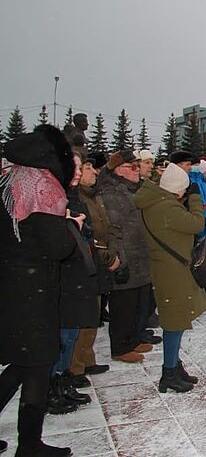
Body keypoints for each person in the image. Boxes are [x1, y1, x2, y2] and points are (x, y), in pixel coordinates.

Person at [0, 125, 78, 457]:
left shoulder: (10, 179)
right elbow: (58, 247)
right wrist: (71, 225)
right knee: (37, 364)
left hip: (12, 286)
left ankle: (30, 443)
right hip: (33, 290)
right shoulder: (41, 188)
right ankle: (29, 445)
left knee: (23, 362)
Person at [135, 163, 206, 394]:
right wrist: (195, 200)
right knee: (174, 321)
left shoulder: (158, 202)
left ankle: (174, 365)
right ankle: (168, 372)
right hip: (171, 270)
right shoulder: (166, 207)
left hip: (170, 267)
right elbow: (198, 224)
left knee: (176, 318)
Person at [48, 153, 100, 413]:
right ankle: (52, 387)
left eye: (81, 167)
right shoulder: (53, 196)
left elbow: (87, 230)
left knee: (71, 333)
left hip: (77, 269)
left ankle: (64, 380)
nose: (79, 172)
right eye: (76, 167)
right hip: (62, 273)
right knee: (62, 334)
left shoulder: (73, 196)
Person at [97, 150, 154, 363]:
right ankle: (121, 346)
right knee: (124, 305)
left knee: (138, 302)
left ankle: (133, 339)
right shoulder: (112, 193)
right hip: (127, 256)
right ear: (120, 169)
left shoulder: (132, 189)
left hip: (140, 255)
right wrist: (119, 258)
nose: (138, 170)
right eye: (134, 166)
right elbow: (114, 229)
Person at [71, 155, 116, 384]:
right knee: (83, 314)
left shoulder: (93, 195)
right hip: (87, 259)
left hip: (98, 258)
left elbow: (105, 226)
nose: (94, 172)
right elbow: (88, 232)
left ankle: (87, 358)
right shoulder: (75, 198)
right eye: (87, 168)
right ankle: (75, 367)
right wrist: (104, 253)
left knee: (94, 311)